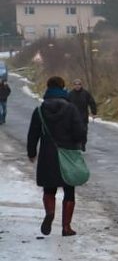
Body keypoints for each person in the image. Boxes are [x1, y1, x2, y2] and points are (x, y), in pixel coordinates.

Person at [27, 76, 86, 236]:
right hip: (67, 153)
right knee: (69, 189)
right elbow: (80, 132)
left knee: (49, 188)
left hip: (48, 154)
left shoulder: (39, 110)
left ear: (48, 88)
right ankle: (66, 228)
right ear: (63, 88)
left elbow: (33, 134)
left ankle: (50, 213)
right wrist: (77, 142)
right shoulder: (71, 108)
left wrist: (32, 152)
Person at [69, 78, 97, 150]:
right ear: (73, 85)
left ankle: (83, 144)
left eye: (79, 84)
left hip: (83, 116)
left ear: (81, 85)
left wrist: (94, 112)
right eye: (76, 84)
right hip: (73, 117)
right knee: (73, 132)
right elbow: (66, 104)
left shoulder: (86, 94)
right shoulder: (70, 94)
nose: (77, 86)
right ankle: (75, 145)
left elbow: (92, 102)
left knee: (83, 131)